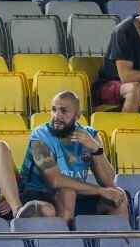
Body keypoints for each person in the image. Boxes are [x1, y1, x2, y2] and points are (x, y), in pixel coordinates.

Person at [19, 91, 128, 223]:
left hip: (76, 196)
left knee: (119, 196)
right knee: (67, 193)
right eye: (54, 109)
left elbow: (109, 182)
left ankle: (122, 237)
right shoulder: (39, 136)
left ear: (77, 115)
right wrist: (99, 190)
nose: (56, 115)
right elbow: (54, 180)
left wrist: (96, 149)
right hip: (38, 195)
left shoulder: (90, 135)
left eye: (64, 111)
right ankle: (66, 237)